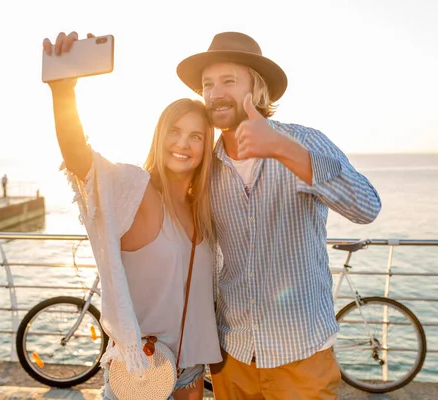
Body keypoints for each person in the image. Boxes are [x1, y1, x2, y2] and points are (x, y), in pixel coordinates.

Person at [176, 32, 382, 399]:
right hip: (232, 354)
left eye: (228, 81)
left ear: (256, 89)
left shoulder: (304, 141)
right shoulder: (206, 164)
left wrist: (285, 151)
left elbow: (367, 207)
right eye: (208, 84)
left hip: (300, 355)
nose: (214, 93)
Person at [42, 31, 222, 400]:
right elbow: (80, 159)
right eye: (174, 131)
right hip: (138, 377)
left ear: (207, 146)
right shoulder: (134, 190)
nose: (183, 144)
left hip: (190, 376)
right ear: (159, 135)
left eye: (196, 136)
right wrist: (63, 92)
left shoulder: (202, 210)